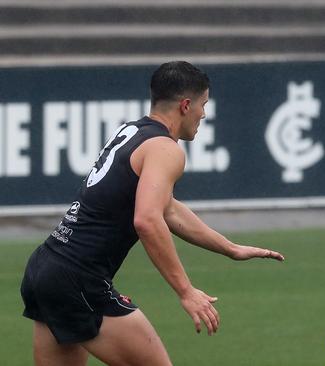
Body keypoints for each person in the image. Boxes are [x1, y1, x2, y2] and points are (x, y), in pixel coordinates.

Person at [20, 61, 285, 365]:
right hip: (78, 280)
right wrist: (186, 291)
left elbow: (167, 209)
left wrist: (230, 249)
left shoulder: (132, 130)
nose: (204, 114)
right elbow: (147, 220)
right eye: (203, 105)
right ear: (186, 105)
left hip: (45, 269)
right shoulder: (165, 149)